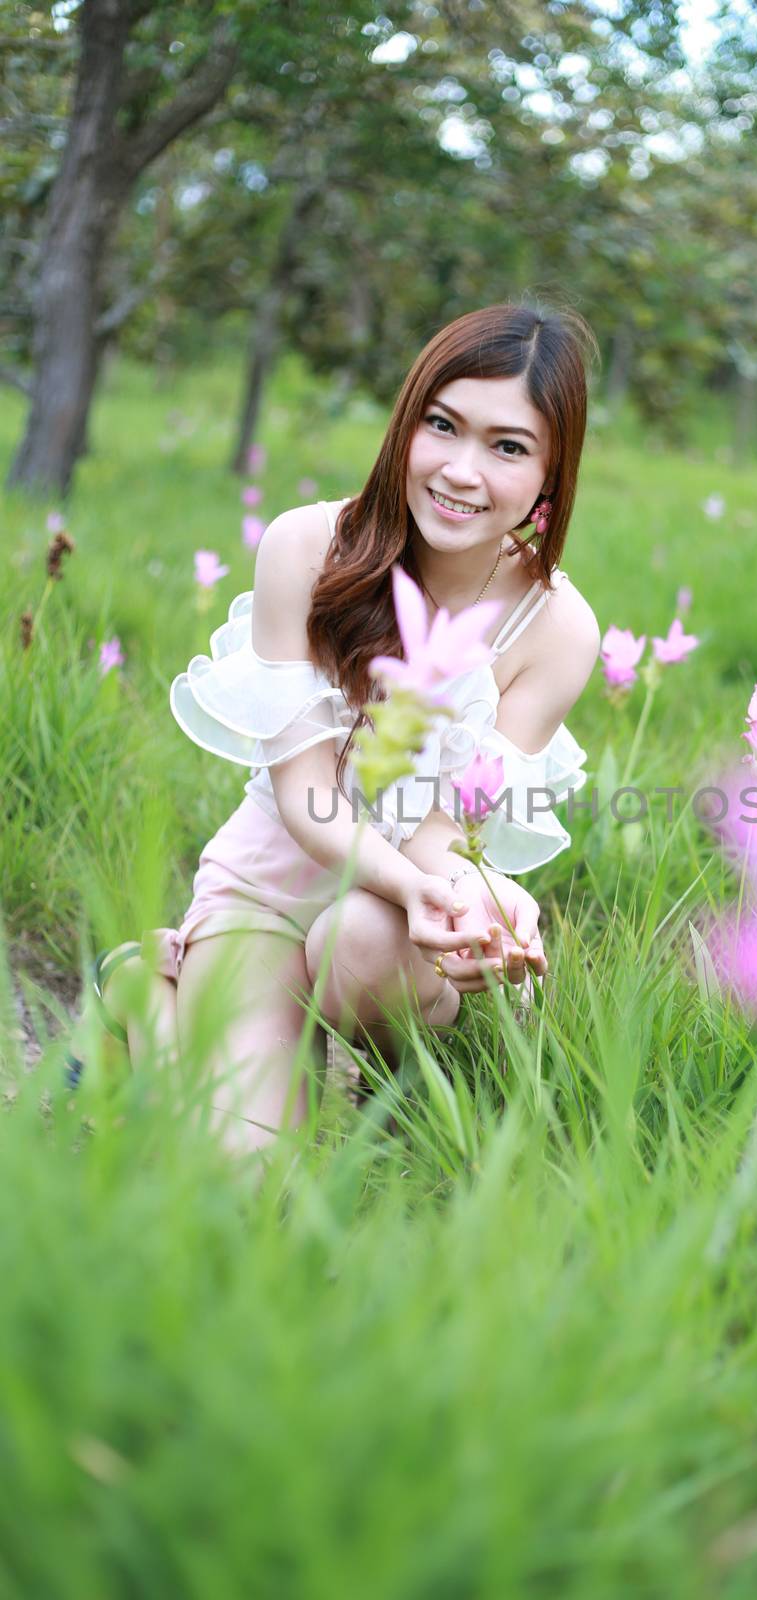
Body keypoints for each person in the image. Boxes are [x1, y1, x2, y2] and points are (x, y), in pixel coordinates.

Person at [69, 301, 602, 1156]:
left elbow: (444, 834)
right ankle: (142, 993)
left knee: (358, 932)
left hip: (386, 933)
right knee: (242, 1176)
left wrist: (489, 898)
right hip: (270, 889)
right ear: (406, 424)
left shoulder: (555, 629)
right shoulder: (308, 546)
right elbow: (307, 799)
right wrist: (419, 884)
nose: (462, 471)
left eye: (507, 447)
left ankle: (393, 1108)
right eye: (442, 426)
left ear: (550, 474)